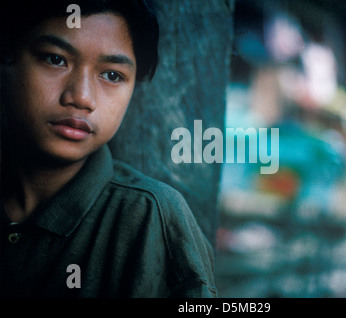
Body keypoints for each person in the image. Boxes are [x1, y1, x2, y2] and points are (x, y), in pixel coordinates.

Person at [0, 0, 216, 298]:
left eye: (112, 75)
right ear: (7, 57)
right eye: (55, 59)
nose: (82, 97)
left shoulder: (150, 217)